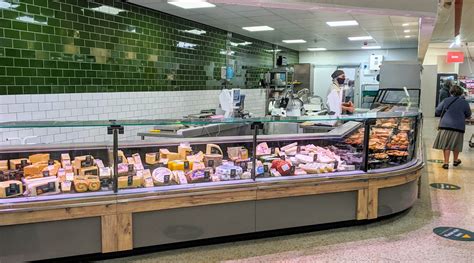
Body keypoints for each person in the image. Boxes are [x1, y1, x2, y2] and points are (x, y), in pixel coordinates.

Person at [433, 85, 472, 169]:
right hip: (459, 126)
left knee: (446, 144)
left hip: (445, 125)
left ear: (451, 92)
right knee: (456, 144)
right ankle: (455, 160)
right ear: (461, 93)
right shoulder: (464, 102)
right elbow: (468, 114)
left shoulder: (446, 100)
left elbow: (437, 111)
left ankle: (446, 162)